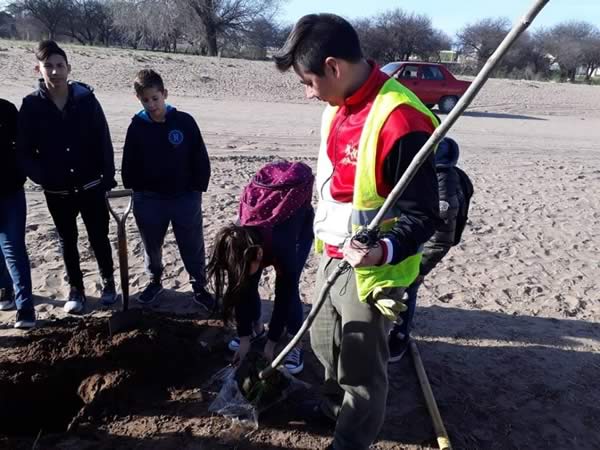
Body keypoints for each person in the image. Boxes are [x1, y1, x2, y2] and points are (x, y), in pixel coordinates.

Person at [274, 14, 440, 450]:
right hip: (330, 253)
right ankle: (333, 409)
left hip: (370, 272)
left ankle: (350, 441)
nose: (309, 93)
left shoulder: (401, 120)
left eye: (308, 81)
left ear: (333, 67)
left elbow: (424, 215)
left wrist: (382, 250)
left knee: (363, 371)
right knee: (324, 343)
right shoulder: (337, 104)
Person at [17, 40, 117, 314]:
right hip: (58, 191)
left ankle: (108, 282)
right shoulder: (31, 106)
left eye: (60, 65)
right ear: (38, 69)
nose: (55, 71)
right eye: (48, 66)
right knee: (67, 240)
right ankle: (76, 288)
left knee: (99, 237)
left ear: (68, 68)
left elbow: (103, 140)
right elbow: (24, 151)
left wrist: (107, 177)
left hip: (91, 185)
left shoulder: (86, 100)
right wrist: (42, 177)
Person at [207, 161, 314, 375]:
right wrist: (245, 337)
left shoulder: (283, 246)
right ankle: (255, 330)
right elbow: (240, 289)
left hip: (298, 229)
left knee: (289, 290)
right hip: (264, 235)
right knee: (246, 283)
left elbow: (282, 297)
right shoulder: (237, 238)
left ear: (257, 255)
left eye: (248, 266)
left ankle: (294, 341)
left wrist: (271, 345)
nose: (243, 273)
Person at [121, 69, 213, 308]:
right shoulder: (137, 126)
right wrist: (136, 189)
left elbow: (200, 158)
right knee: (151, 245)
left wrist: (196, 189)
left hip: (184, 197)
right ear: (139, 99)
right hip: (149, 199)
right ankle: (154, 281)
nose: (152, 105)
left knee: (192, 243)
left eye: (155, 98)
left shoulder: (184, 121)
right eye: (145, 100)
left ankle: (199, 284)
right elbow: (129, 163)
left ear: (165, 94)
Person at [388, 137, 469, 362]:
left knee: (407, 291)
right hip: (403, 241)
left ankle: (400, 337)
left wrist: (421, 269)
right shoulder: (420, 175)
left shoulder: (444, 188)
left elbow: (442, 239)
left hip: (418, 252)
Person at [0, 98, 36, 329]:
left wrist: (20, 172)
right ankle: (5, 289)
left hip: (10, 192)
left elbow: (24, 146)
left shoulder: (6, 110)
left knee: (13, 248)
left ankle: (25, 306)